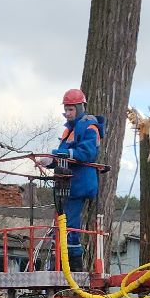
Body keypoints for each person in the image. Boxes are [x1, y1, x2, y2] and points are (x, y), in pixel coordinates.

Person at [48, 87, 102, 269]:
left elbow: (86, 153)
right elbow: (63, 156)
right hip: (66, 185)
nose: (67, 113)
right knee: (62, 224)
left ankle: (72, 267)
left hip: (79, 185)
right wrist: (49, 161)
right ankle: (59, 264)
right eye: (66, 109)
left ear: (80, 108)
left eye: (71, 109)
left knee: (70, 225)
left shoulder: (89, 127)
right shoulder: (69, 130)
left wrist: (57, 154)